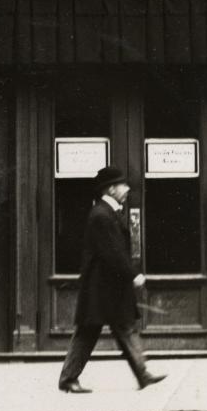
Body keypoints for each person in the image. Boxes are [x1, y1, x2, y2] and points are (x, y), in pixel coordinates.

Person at [57, 165, 166, 394]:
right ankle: (68, 378)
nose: (127, 189)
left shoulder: (107, 213)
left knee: (121, 328)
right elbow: (113, 251)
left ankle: (142, 374)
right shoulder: (101, 215)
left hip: (106, 287)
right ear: (111, 189)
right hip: (103, 287)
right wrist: (133, 274)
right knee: (91, 332)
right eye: (123, 185)